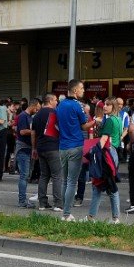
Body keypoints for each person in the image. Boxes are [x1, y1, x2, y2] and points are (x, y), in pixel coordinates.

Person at [55, 81, 89, 221]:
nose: (83, 91)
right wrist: (96, 122)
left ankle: (65, 211)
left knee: (65, 181)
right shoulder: (77, 105)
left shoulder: (60, 104)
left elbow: (57, 124)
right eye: (81, 88)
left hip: (63, 146)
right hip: (75, 145)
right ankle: (67, 213)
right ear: (75, 90)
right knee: (72, 182)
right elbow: (84, 126)